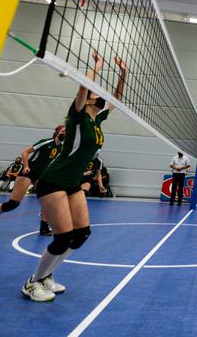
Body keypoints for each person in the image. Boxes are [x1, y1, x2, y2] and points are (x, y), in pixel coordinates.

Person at [20, 50, 128, 302]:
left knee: (81, 235)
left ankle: (47, 276)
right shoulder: (77, 116)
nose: (99, 94)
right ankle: (33, 282)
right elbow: (82, 87)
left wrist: (124, 74)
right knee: (62, 237)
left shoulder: (97, 120)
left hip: (72, 183)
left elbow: (118, 98)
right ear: (88, 98)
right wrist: (98, 67)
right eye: (95, 92)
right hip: (53, 180)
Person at [0, 126, 65, 236]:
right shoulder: (46, 142)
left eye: (67, 132)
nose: (65, 133)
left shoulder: (61, 148)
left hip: (41, 176)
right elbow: (25, 152)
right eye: (63, 131)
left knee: (47, 201)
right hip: (29, 173)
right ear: (57, 132)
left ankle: (44, 228)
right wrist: (26, 166)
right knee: (13, 204)